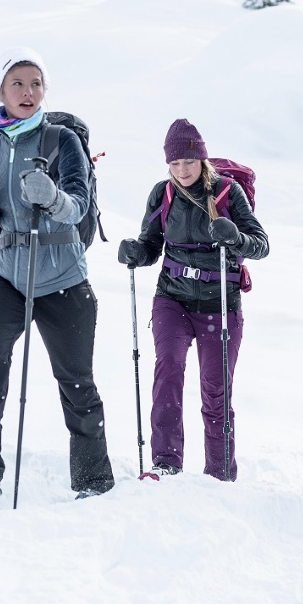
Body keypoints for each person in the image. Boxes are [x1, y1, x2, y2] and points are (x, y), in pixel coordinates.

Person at [0, 47, 115, 505]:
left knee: (76, 382)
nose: (28, 92)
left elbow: (77, 207)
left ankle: (93, 483)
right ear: (1, 91)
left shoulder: (61, 140)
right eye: (18, 83)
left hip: (63, 276)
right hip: (7, 273)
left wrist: (54, 199)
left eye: (36, 83)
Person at [116, 119, 269, 481]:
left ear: (201, 159)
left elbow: (260, 244)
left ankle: (219, 473)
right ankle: (166, 463)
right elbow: (152, 243)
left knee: (216, 390)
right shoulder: (162, 193)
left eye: (188, 161)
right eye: (174, 164)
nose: (182, 170)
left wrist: (234, 238)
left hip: (220, 304)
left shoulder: (229, 193)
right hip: (172, 298)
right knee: (168, 371)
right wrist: (137, 252)